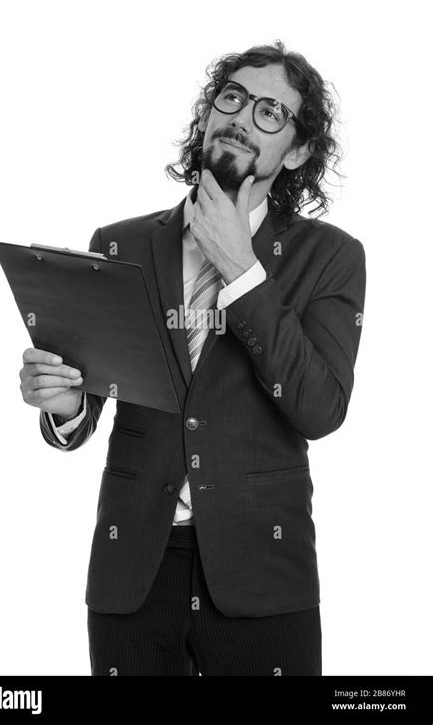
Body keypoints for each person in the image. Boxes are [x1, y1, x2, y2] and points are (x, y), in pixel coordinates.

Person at [19, 40, 366, 676]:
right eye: (232, 97)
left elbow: (320, 408)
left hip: (263, 568)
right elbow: (89, 405)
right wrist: (66, 403)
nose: (241, 115)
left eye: (270, 112)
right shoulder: (119, 243)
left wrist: (240, 266)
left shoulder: (332, 257)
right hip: (136, 570)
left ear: (297, 151)